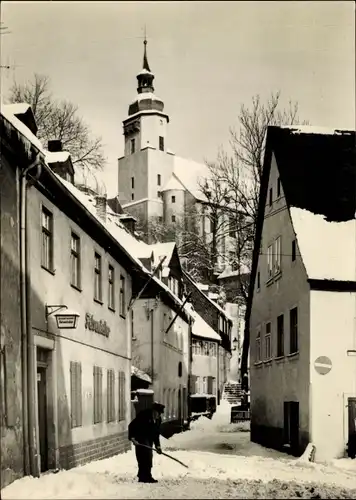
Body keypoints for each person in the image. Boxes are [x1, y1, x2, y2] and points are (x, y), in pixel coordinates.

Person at [128, 401, 165, 483]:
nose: (158, 416)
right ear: (153, 411)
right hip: (140, 439)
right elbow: (131, 426)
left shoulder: (158, 420)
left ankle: (143, 475)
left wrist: (158, 446)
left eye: (160, 414)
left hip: (149, 439)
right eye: (158, 413)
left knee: (148, 457)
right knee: (144, 457)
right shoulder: (143, 416)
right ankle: (145, 476)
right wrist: (133, 439)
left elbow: (156, 434)